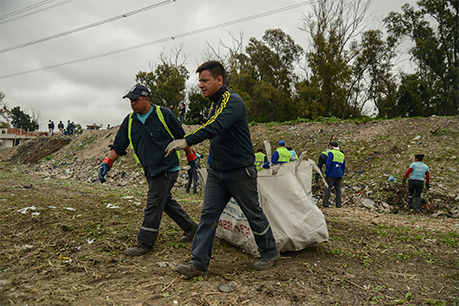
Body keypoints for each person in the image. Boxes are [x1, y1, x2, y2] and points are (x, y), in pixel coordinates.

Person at [165, 61, 279, 277]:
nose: (200, 85)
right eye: (199, 81)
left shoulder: (232, 101)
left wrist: (186, 140)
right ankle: (198, 263)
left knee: (253, 213)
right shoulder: (214, 103)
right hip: (217, 172)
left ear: (219, 80)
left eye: (205, 80)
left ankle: (270, 252)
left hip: (240, 171)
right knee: (208, 216)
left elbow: (215, 126)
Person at [97, 84, 198, 257]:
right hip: (150, 170)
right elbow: (119, 146)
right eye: (130, 101)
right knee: (164, 201)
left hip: (167, 168)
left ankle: (145, 242)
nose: (133, 104)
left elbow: (182, 139)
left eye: (136, 100)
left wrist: (191, 158)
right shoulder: (129, 121)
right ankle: (191, 228)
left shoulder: (163, 114)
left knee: (154, 203)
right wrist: (107, 163)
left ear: (146, 99)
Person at [322, 142, 346, 208]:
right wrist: (342, 173)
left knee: (328, 188)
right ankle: (338, 205)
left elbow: (328, 164)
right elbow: (344, 166)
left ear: (331, 147)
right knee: (338, 190)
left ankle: (325, 204)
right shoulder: (342, 154)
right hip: (339, 174)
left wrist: (326, 172)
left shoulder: (331, 153)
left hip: (331, 174)